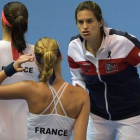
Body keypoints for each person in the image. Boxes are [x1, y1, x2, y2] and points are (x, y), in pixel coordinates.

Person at [67, 1, 140, 140]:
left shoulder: (123, 42)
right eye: (80, 22)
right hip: (98, 116)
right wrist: (80, 92)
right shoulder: (74, 47)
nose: (85, 27)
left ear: (100, 22)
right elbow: (77, 78)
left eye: (89, 21)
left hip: (132, 115)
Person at [0, 37, 90, 140]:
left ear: (37, 63)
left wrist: (11, 68)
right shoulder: (81, 96)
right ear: (60, 57)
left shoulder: (29, 89)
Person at [0, 2, 39, 140]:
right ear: (25, 24)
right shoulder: (37, 53)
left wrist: (8, 70)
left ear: (2, 21)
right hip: (29, 135)